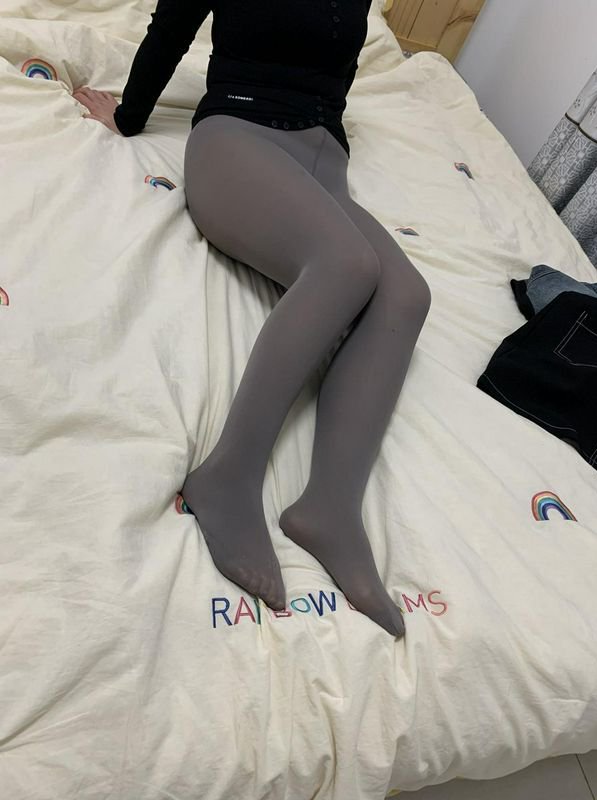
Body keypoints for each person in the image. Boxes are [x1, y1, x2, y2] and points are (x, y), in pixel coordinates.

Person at [73, 0, 431, 638]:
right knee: (347, 264)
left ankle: (329, 509)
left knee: (406, 294)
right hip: (237, 139)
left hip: (322, 163)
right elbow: (170, 29)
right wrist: (127, 117)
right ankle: (227, 477)